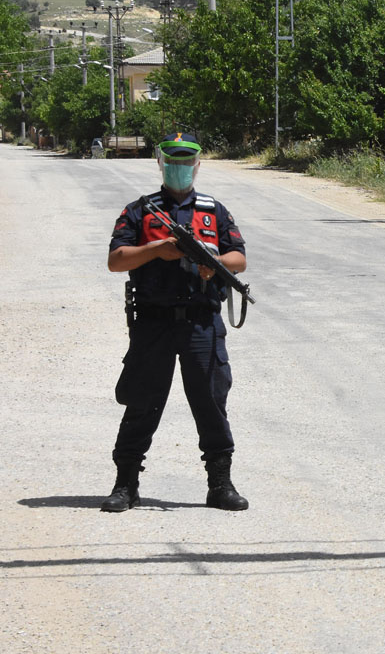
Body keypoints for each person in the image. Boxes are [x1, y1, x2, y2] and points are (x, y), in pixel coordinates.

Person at [101, 132, 250, 512]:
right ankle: (126, 485)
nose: (181, 169)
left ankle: (220, 485)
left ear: (198, 165)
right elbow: (116, 260)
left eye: (188, 162)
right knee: (142, 403)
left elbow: (239, 260)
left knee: (211, 403)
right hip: (154, 323)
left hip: (201, 322)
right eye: (174, 162)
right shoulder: (141, 210)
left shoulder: (213, 210)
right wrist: (156, 250)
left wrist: (210, 264)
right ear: (160, 163)